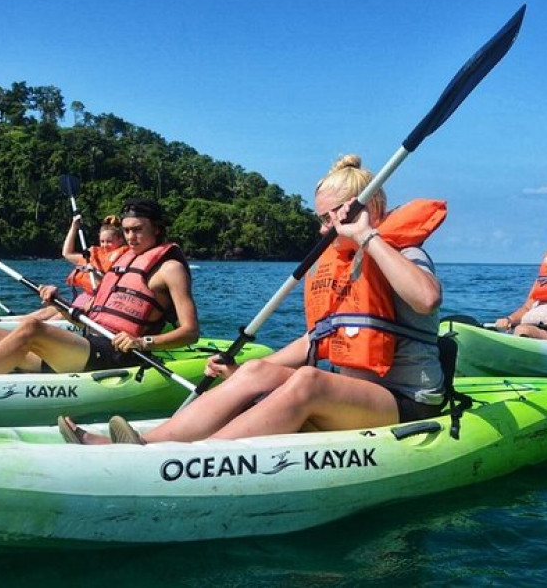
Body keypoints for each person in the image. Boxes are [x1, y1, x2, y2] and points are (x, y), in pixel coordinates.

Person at [59, 154, 448, 445]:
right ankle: (147, 443)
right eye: (323, 219)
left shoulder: (400, 254)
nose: (323, 228)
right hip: (355, 393)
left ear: (368, 210)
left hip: (406, 399)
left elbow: (427, 299)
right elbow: (317, 338)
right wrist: (245, 367)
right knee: (255, 370)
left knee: (309, 380)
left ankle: (191, 458)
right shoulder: (341, 265)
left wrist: (367, 236)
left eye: (330, 218)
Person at [0, 198, 199, 376]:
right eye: (127, 231)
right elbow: (90, 319)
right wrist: (58, 303)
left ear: (158, 228)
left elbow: (190, 332)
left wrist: (142, 342)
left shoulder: (170, 269)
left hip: (120, 355)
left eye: (138, 230)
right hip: (87, 345)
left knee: (31, 327)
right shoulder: (124, 260)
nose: (131, 237)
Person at [26, 215, 129, 322]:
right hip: (82, 300)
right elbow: (67, 253)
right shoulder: (94, 255)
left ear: (121, 240)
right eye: (102, 241)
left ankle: (33, 330)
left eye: (109, 241)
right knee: (44, 313)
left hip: (95, 305)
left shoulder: (124, 259)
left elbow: (111, 285)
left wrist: (94, 272)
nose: (104, 245)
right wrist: (74, 227)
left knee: (55, 319)